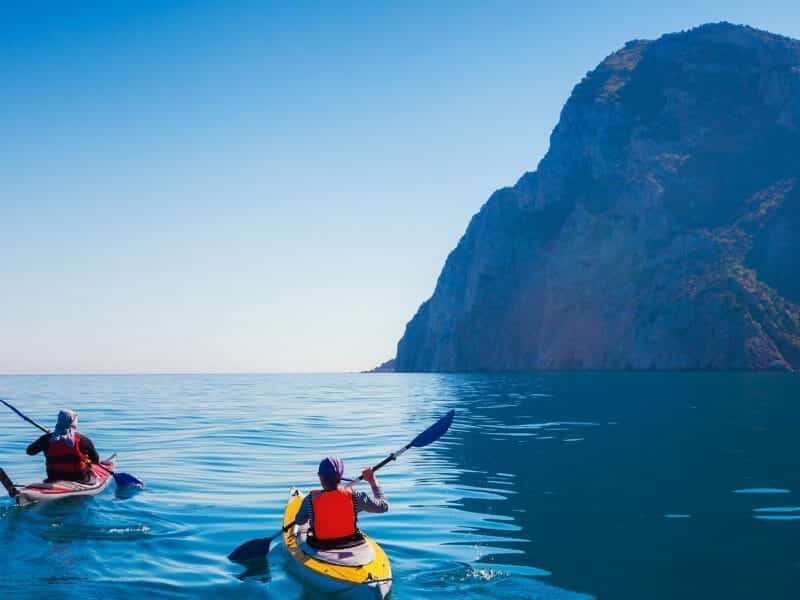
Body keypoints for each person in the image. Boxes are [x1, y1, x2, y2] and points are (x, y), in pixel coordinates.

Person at [295, 456, 389, 549]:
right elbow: (383, 507)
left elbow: (299, 521)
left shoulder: (310, 500)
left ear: (320, 476)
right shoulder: (355, 496)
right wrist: (372, 480)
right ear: (340, 476)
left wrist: (311, 514)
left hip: (321, 545)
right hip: (351, 542)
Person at [26, 409, 100, 483]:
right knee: (87, 463)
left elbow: (30, 451)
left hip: (54, 476)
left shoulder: (47, 439)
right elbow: (95, 460)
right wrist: (86, 460)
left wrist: (46, 437)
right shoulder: (83, 440)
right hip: (78, 477)